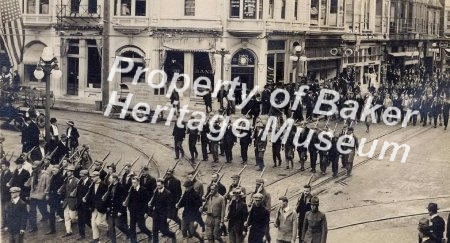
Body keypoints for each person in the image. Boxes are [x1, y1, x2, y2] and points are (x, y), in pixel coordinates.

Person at [148, 178, 176, 243]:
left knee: (164, 230)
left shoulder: (168, 193)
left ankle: (172, 235)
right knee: (154, 231)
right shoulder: (156, 191)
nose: (158, 187)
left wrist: (169, 217)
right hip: (156, 214)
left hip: (163, 215)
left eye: (159, 185)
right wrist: (150, 207)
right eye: (157, 185)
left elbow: (169, 206)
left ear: (163, 184)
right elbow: (153, 201)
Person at [84, 171, 108, 243]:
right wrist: (87, 200)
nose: (92, 178)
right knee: (93, 223)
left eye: (93, 177)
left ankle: (109, 228)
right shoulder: (92, 184)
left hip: (101, 208)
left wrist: (102, 205)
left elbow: (106, 197)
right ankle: (96, 239)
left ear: (98, 176)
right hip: (93, 207)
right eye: (91, 177)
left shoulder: (103, 185)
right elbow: (90, 195)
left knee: (98, 223)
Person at [127, 176, 153, 243]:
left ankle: (149, 234)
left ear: (138, 182)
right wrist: (130, 209)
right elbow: (130, 201)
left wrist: (146, 212)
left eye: (134, 183)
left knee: (141, 227)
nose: (133, 184)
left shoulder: (143, 190)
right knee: (132, 228)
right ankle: (134, 241)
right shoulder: (132, 189)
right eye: (132, 183)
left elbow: (147, 202)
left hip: (141, 212)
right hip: (133, 212)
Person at [105, 173, 129, 243]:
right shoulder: (110, 186)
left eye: (110, 178)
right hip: (111, 210)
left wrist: (121, 211)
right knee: (111, 227)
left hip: (118, 210)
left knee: (119, 225)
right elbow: (108, 198)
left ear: (115, 179)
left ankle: (128, 233)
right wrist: (107, 206)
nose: (109, 180)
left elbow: (124, 201)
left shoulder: (121, 187)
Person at [27, 161, 50, 233]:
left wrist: (46, 194)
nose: (34, 169)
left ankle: (49, 220)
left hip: (41, 196)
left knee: (43, 210)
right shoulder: (33, 174)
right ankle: (33, 227)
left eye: (35, 168)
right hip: (33, 195)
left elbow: (48, 186)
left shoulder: (45, 175)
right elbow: (30, 185)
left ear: (39, 167)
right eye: (33, 168)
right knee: (32, 211)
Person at [58, 164, 79, 237]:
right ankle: (68, 231)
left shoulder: (77, 180)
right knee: (66, 217)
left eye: (69, 171)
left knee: (73, 217)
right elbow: (64, 187)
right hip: (66, 200)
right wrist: (60, 190)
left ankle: (77, 220)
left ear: (72, 172)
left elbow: (78, 191)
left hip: (73, 201)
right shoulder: (66, 179)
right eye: (67, 171)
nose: (67, 172)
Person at [45, 165, 65, 235]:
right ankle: (52, 229)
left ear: (58, 170)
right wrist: (48, 195)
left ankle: (68, 220)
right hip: (53, 198)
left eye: (54, 170)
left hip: (58, 198)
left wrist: (62, 199)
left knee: (60, 212)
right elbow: (50, 187)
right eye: (52, 170)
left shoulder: (61, 177)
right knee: (52, 214)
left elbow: (63, 189)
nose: (53, 171)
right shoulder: (53, 177)